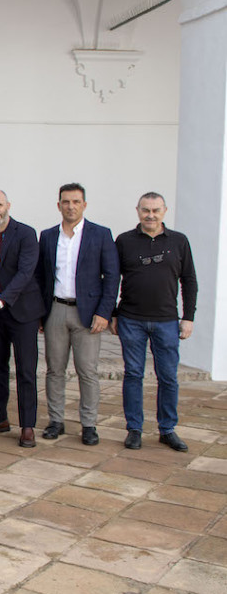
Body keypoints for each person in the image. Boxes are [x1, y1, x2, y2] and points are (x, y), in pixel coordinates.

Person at [111, 192, 197, 452]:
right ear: (137, 210)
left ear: (164, 211)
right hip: (131, 319)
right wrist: (113, 313)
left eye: (155, 210)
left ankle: (167, 429)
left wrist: (188, 317)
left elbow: (189, 280)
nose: (150, 215)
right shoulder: (124, 241)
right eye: (145, 210)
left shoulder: (179, 241)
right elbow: (112, 279)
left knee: (169, 377)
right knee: (133, 375)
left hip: (166, 321)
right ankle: (134, 429)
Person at [36, 183, 118, 446]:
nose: (71, 206)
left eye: (76, 201)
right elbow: (41, 276)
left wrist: (105, 312)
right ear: (58, 205)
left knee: (87, 371)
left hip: (89, 313)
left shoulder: (101, 234)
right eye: (66, 202)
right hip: (56, 310)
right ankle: (56, 421)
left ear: (84, 204)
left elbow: (112, 276)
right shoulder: (48, 236)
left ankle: (89, 424)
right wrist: (41, 314)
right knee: (54, 370)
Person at [0, 190, 43, 448]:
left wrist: (1, 301)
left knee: (26, 371)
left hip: (22, 313)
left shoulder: (26, 234)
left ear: (8, 206)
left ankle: (27, 426)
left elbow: (26, 273)